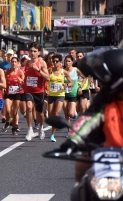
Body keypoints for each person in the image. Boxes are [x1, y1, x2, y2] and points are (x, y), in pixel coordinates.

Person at [58, 49, 123, 184]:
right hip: (107, 151)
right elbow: (88, 119)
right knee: (81, 167)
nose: (104, 85)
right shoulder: (104, 100)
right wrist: (73, 140)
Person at [24, 42, 49, 141]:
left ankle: (41, 128)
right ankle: (30, 129)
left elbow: (47, 77)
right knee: (29, 107)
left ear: (39, 52)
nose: (32, 53)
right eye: (31, 51)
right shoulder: (26, 63)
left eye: (35, 51)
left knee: (40, 114)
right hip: (28, 90)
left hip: (39, 91)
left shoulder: (42, 63)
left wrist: (38, 70)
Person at [47, 54, 73, 142]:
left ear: (60, 62)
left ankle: (52, 135)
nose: (54, 62)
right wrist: (45, 89)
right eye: (53, 61)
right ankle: (55, 127)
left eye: (56, 61)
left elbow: (71, 83)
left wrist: (67, 84)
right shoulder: (49, 71)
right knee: (50, 116)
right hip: (51, 95)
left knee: (56, 114)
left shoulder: (64, 72)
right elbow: (44, 81)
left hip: (60, 95)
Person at [63, 55, 86, 137]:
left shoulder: (76, 70)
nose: (67, 63)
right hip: (63, 95)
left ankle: (75, 113)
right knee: (66, 113)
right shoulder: (62, 71)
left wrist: (80, 87)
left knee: (71, 114)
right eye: (66, 61)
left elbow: (84, 78)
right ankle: (69, 131)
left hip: (73, 94)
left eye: (69, 61)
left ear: (72, 62)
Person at [2, 57, 24, 135]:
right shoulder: (6, 71)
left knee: (14, 112)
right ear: (10, 63)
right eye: (12, 62)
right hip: (8, 93)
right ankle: (8, 121)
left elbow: (24, 83)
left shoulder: (20, 72)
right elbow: (3, 81)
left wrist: (21, 81)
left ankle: (14, 128)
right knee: (8, 110)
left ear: (18, 63)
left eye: (15, 62)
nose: (14, 63)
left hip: (17, 94)